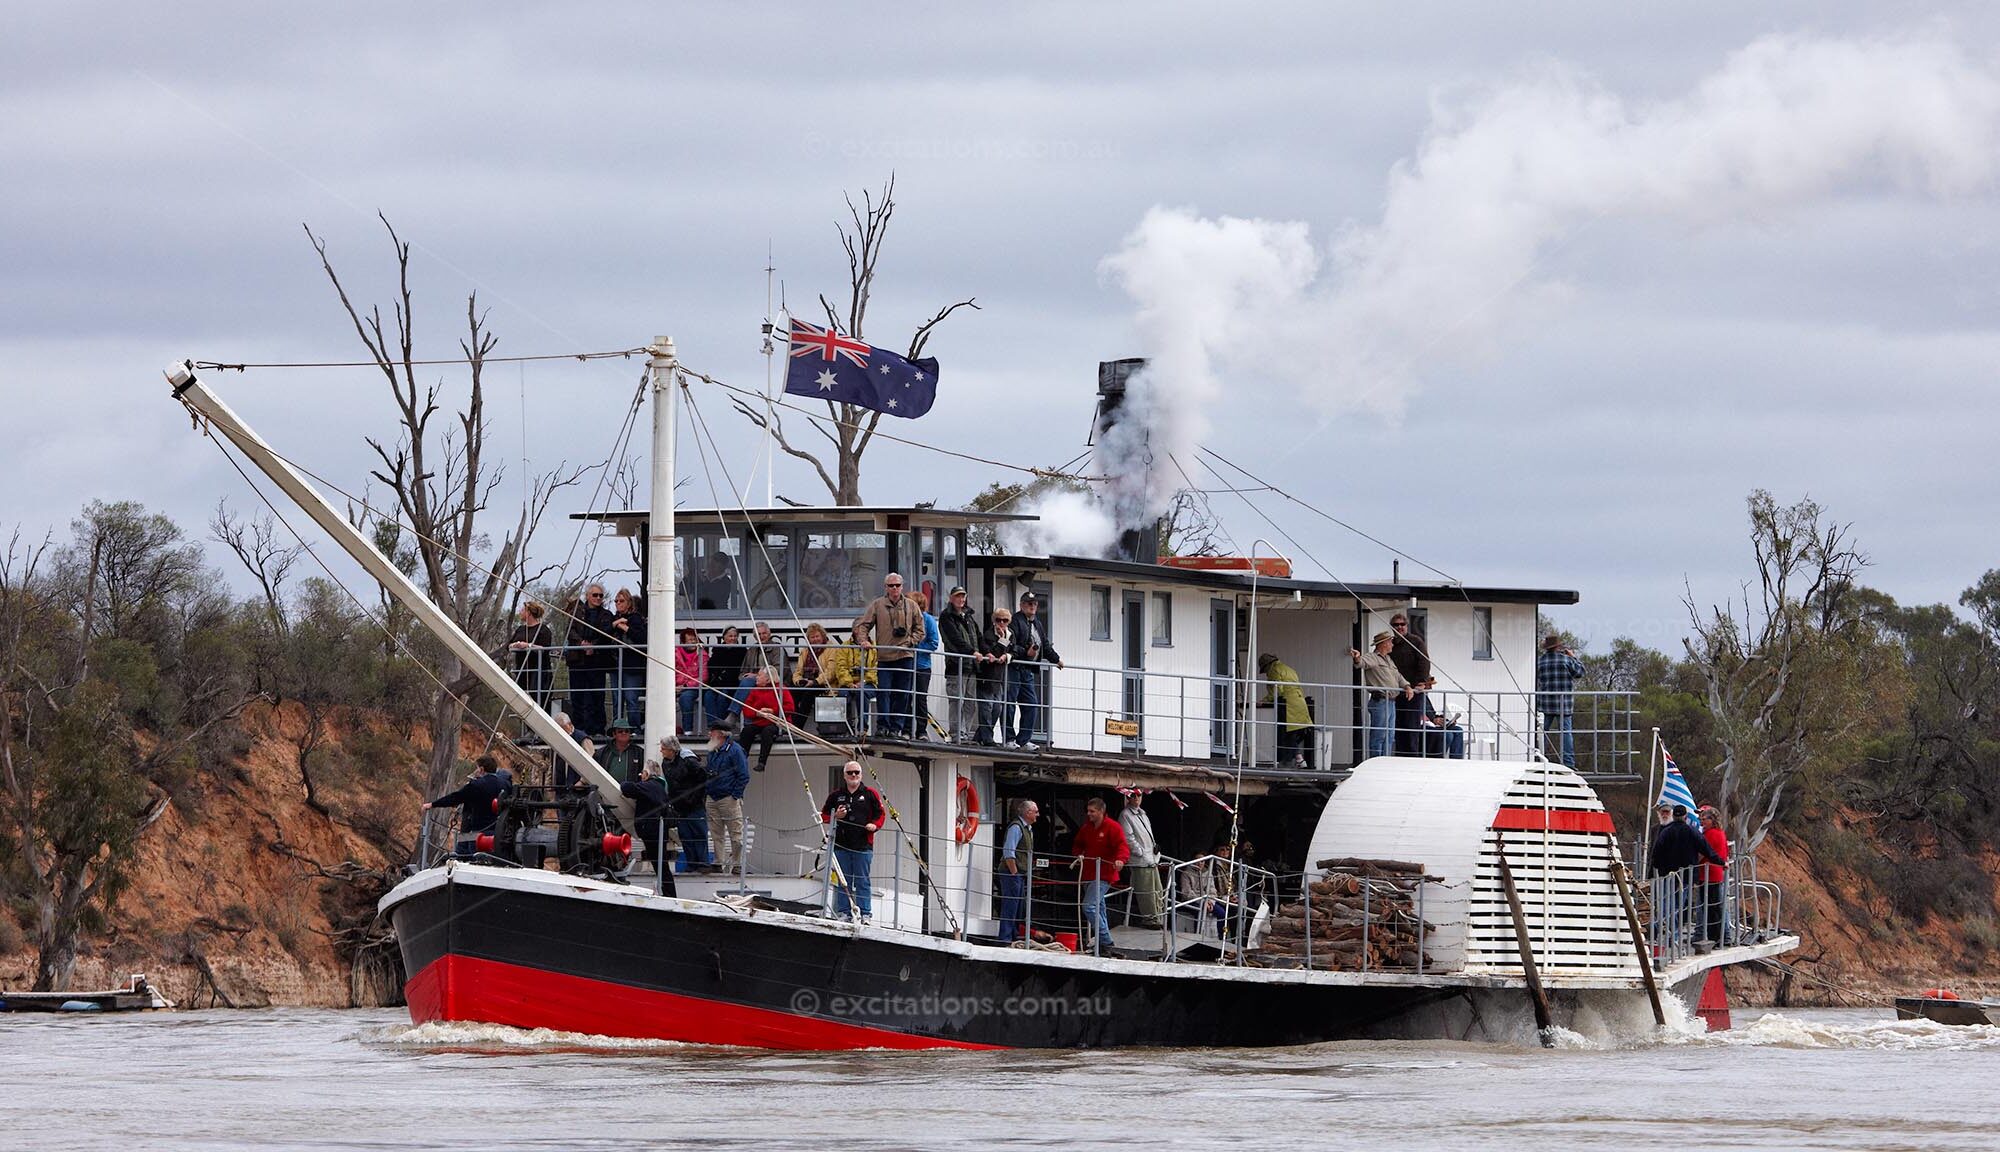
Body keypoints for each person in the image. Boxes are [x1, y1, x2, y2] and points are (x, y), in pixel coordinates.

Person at [854, 572, 924, 738]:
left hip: (905, 656)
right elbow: (863, 625)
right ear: (885, 587)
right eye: (891, 585)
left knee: (902, 694)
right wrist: (864, 641)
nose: (894, 588)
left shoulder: (912, 606)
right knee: (883, 693)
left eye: (897, 585)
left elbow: (920, 630)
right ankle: (882, 726)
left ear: (902, 586)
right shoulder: (877, 605)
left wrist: (908, 642)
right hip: (885, 658)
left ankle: (896, 728)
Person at [1647, 803, 1723, 946]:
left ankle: (1662, 932)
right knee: (1679, 907)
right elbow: (1707, 849)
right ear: (1685, 816)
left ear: (1673, 816)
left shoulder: (1665, 832)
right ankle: (1674, 935)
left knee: (1665, 904)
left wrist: (1657, 867)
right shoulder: (1692, 831)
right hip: (1686, 876)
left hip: (1667, 875)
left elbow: (1656, 852)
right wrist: (1721, 862)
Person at [818, 761, 886, 920]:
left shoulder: (870, 793)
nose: (853, 775)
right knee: (843, 881)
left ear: (861, 774)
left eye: (856, 772)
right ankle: (844, 913)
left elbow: (881, 814)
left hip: (863, 845)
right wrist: (836, 816)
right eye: (850, 773)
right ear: (844, 776)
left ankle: (865, 914)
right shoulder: (836, 795)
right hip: (841, 845)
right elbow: (824, 816)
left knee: (862, 881)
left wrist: (874, 825)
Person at [1070, 797, 1129, 952]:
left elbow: (1122, 846)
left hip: (1104, 874)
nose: (1089, 814)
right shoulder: (1086, 828)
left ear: (1101, 811)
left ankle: (1106, 941)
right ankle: (1104, 943)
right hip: (1088, 873)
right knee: (1099, 908)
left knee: (1089, 906)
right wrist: (1078, 854)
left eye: (1092, 811)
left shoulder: (1113, 827)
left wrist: (1120, 860)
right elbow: (1078, 844)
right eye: (1088, 811)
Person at [1007, 592, 1063, 749]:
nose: (1032, 606)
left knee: (1031, 705)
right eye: (1028, 603)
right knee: (1009, 703)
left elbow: (1044, 644)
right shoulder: (1015, 621)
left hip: (1028, 670)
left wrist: (1057, 660)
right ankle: (1009, 739)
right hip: (1014, 668)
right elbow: (1010, 645)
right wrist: (1026, 652)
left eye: (1034, 604)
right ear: (1022, 605)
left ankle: (1023, 740)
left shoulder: (1037, 623)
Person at [422, 755, 510, 853]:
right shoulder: (506, 785)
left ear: (481, 769)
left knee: (464, 854)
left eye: (476, 768)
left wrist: (433, 804)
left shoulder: (476, 785)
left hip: (477, 833)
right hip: (499, 834)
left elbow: (455, 797)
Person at [564, 584, 618, 739]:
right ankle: (579, 729)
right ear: (588, 596)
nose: (598, 598)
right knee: (577, 696)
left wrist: (593, 645)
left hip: (597, 660)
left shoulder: (606, 614)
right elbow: (570, 631)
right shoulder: (577, 613)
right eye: (595, 595)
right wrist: (581, 643)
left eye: (601, 595)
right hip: (577, 661)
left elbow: (605, 632)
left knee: (597, 696)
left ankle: (598, 729)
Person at [1351, 632, 1413, 760]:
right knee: (1379, 735)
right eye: (1390, 641)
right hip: (1380, 701)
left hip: (1390, 702)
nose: (1392, 644)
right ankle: (1375, 761)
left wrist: (1407, 686)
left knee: (1390, 735)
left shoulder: (1388, 659)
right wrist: (1357, 658)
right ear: (1383, 643)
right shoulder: (1373, 657)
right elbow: (1362, 662)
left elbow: (1398, 676)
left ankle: (1385, 761)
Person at [619, 761, 677, 894]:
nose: (641, 776)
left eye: (642, 774)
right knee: (661, 864)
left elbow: (628, 788)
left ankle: (669, 894)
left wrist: (623, 783)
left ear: (646, 774)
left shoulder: (649, 786)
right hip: (658, 830)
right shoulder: (660, 787)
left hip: (651, 831)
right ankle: (669, 893)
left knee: (660, 865)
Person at [704, 719, 750, 874]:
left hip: (728, 797)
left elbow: (743, 775)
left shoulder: (735, 750)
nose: (710, 734)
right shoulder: (713, 751)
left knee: (735, 833)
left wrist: (735, 795)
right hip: (713, 797)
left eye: (713, 731)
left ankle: (737, 864)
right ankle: (718, 862)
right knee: (716, 833)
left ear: (721, 734)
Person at [1536, 634, 1587, 769]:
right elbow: (1580, 672)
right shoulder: (1566, 660)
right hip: (1564, 704)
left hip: (1546, 703)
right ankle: (1568, 763)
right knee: (1565, 732)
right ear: (1558, 647)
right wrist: (1573, 657)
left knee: (1543, 732)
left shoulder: (1540, 661)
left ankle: (1539, 758)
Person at [660, 737, 711, 871]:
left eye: (663, 749)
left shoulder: (688, 760)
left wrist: (695, 798)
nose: (661, 751)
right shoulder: (666, 763)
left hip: (694, 804)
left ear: (671, 749)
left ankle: (703, 863)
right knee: (685, 835)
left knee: (699, 833)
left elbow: (702, 778)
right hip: (679, 806)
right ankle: (692, 863)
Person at [938, 585, 980, 743]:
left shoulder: (969, 617)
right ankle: (956, 733)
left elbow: (978, 636)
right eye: (957, 596)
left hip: (972, 667)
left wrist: (985, 652)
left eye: (963, 596)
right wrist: (972, 652)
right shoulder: (946, 617)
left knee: (971, 702)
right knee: (957, 700)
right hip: (956, 666)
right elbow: (954, 639)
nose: (961, 599)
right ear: (951, 598)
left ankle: (965, 732)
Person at [1257, 653, 1313, 769]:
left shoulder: (1274, 670)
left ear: (1267, 665)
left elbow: (1277, 689)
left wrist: (1265, 700)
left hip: (1288, 705)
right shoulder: (1288, 669)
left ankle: (1293, 761)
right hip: (1300, 702)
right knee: (1295, 734)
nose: (1266, 673)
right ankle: (1297, 760)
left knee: (1286, 734)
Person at [817, 627, 878, 734]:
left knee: (861, 693)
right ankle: (847, 728)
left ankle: (862, 728)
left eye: (864, 631)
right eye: (860, 631)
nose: (862, 634)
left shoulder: (874, 649)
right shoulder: (844, 647)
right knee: (843, 694)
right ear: (854, 632)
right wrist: (849, 683)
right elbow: (841, 667)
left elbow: (876, 669)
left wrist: (863, 682)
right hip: (848, 683)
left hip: (869, 683)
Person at [1387, 614, 1431, 756]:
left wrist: (1421, 683)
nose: (1399, 627)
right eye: (1396, 625)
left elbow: (1424, 662)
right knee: (1398, 727)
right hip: (1397, 691)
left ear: (1407, 626)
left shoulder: (1415, 641)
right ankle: (1400, 756)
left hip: (1413, 692)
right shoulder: (1391, 644)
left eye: (1402, 624)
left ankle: (1412, 758)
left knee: (1411, 727)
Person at [1118, 791, 1163, 928]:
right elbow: (1129, 838)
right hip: (1141, 860)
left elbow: (1148, 835)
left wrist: (1154, 849)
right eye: (1133, 795)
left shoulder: (1143, 813)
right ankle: (1150, 920)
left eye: (1139, 795)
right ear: (1128, 797)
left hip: (1152, 858)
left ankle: (1158, 917)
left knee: (1158, 890)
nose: (1136, 798)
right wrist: (1140, 852)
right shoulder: (1125, 815)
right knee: (1146, 891)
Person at [998, 798, 1039, 942]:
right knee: (1011, 905)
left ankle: (1013, 936)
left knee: (1018, 906)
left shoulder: (1028, 829)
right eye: (1036, 812)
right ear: (1028, 813)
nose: (1037, 815)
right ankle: (1005, 938)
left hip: (1019, 873)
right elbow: (1009, 851)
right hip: (1012, 873)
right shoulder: (1016, 828)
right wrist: (1014, 872)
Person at [740, 668, 795, 772]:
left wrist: (772, 711)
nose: (756, 677)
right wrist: (757, 713)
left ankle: (762, 762)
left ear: (768, 679)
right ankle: (741, 760)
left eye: (759, 675)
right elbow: (746, 708)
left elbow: (790, 708)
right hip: (759, 721)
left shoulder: (781, 689)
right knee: (747, 731)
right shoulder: (755, 691)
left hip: (777, 722)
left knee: (767, 732)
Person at [608, 589, 648, 731]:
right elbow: (604, 632)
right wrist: (616, 623)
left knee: (631, 698)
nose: (618, 603)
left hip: (632, 666)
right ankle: (617, 728)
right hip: (615, 665)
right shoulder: (612, 619)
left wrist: (625, 627)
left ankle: (634, 729)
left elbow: (641, 638)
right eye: (616, 601)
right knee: (617, 699)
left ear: (629, 602)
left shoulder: (636, 619)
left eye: (622, 600)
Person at [974, 607, 1015, 746]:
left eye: (1004, 620)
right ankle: (987, 739)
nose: (1001, 623)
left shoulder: (1011, 634)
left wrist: (1007, 655)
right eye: (998, 620)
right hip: (987, 675)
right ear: (994, 620)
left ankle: (979, 736)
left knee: (997, 708)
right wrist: (1002, 642)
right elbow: (992, 651)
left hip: (999, 677)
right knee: (987, 708)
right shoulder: (988, 634)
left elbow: (1014, 650)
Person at [507, 601, 554, 711]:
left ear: (529, 612)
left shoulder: (543, 630)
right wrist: (516, 644)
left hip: (539, 672)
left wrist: (528, 645)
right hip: (522, 670)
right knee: (522, 698)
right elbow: (509, 645)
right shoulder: (521, 629)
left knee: (537, 697)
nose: (520, 612)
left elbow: (544, 648)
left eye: (522, 610)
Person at [1699, 804, 1732, 945]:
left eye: (1704, 818)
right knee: (1716, 907)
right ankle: (1722, 936)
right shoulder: (1720, 833)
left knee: (1712, 908)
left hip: (1709, 874)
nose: (1701, 821)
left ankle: (1715, 938)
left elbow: (1702, 853)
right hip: (1716, 874)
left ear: (1712, 819)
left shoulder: (1710, 834)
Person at [912, 590, 942, 740]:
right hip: (905, 664)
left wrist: (915, 649)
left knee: (920, 699)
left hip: (922, 665)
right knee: (903, 697)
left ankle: (921, 731)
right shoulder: (904, 619)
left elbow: (934, 643)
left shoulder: (928, 620)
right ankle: (904, 729)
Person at [791, 622, 832, 730]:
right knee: (791, 692)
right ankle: (791, 725)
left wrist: (814, 682)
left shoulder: (831, 649)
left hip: (822, 683)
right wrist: (799, 681)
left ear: (823, 636)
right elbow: (797, 671)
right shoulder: (805, 651)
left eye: (817, 636)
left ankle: (797, 728)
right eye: (812, 637)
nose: (815, 639)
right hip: (806, 681)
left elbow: (831, 672)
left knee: (808, 695)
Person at [705, 625, 748, 722]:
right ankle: (711, 724)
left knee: (722, 696)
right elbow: (712, 666)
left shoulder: (742, 650)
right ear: (724, 637)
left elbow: (739, 669)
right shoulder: (717, 649)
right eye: (730, 636)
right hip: (717, 682)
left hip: (732, 683)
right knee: (708, 696)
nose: (733, 638)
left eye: (735, 636)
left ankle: (720, 724)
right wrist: (718, 676)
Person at [673, 626, 708, 735]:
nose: (693, 642)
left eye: (694, 639)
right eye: (690, 640)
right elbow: (669, 672)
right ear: (683, 642)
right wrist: (673, 686)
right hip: (675, 686)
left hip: (693, 687)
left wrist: (685, 686)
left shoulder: (702, 654)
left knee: (686, 697)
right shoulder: (674, 653)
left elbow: (704, 677)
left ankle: (688, 731)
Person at [593, 718, 645, 783]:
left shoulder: (639, 753)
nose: (624, 733)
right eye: (620, 731)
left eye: (627, 731)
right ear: (614, 734)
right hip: (606, 791)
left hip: (632, 792)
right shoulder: (601, 753)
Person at [748, 622, 790, 694]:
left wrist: (758, 676)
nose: (761, 636)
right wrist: (745, 676)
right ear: (755, 637)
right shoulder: (752, 650)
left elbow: (780, 672)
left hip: (773, 682)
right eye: (759, 634)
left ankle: (737, 706)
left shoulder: (777, 648)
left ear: (769, 634)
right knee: (745, 682)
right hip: (756, 682)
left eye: (764, 633)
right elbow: (742, 672)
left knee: (747, 683)